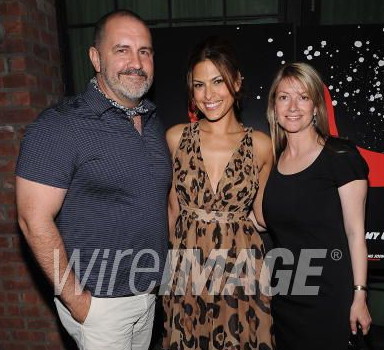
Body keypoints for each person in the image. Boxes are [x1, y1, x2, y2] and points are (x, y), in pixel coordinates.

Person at [16, 9, 171, 350]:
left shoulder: (153, 121)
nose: (136, 62)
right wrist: (79, 302)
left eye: (144, 51)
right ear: (95, 58)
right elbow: (32, 219)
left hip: (147, 296)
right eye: (122, 50)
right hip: (100, 304)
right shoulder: (59, 126)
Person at [162, 36, 274, 350]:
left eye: (218, 82)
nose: (208, 95)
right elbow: (173, 210)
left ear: (237, 83)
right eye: (199, 85)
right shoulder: (176, 137)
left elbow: (263, 216)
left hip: (240, 267)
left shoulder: (262, 146)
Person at [262, 62, 371, 350]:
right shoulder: (271, 164)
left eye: (303, 96)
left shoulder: (341, 156)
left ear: (316, 106)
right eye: (284, 97)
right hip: (285, 296)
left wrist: (359, 295)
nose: (293, 106)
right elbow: (260, 221)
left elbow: (355, 233)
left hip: (330, 297)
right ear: (274, 107)